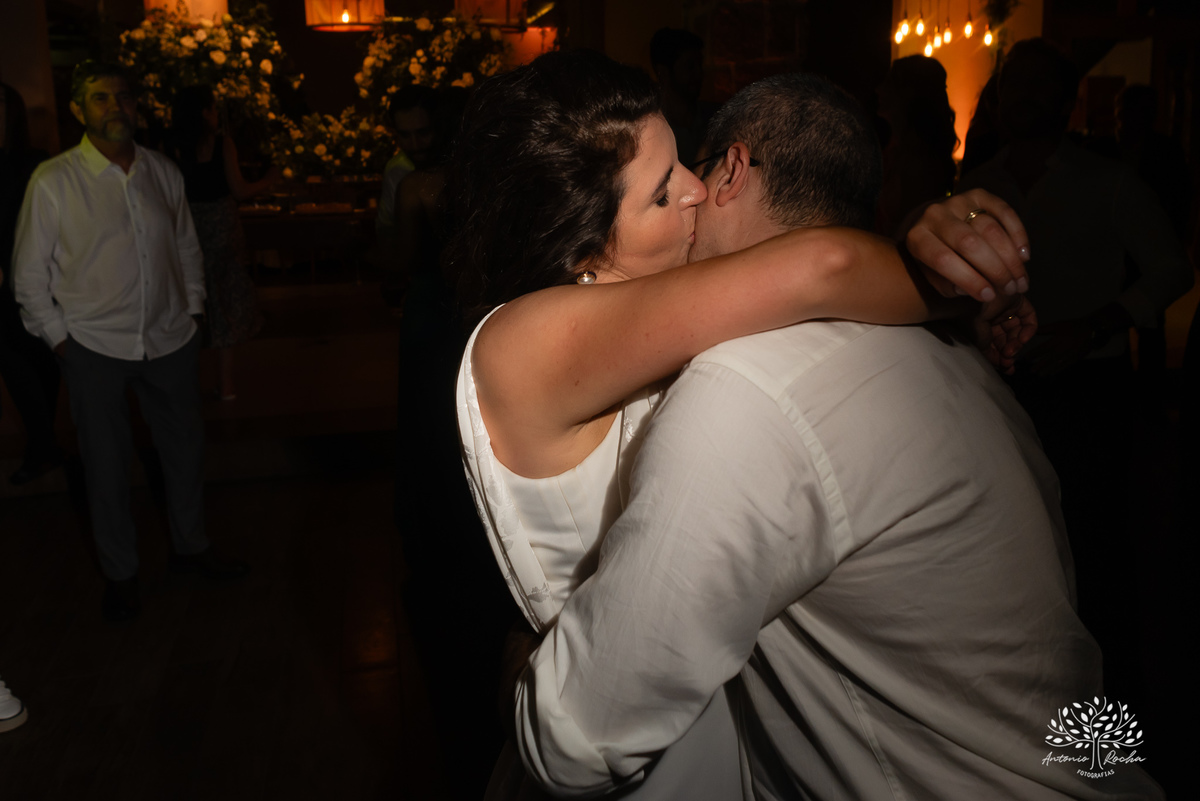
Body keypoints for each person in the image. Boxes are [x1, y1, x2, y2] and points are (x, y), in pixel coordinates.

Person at [511, 70, 1163, 799]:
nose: (688, 194)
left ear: (730, 170)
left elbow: (581, 733)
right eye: (665, 187)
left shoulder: (747, 393)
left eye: (689, 170)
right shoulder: (951, 352)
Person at [958, 38, 1193, 702]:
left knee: (1094, 550)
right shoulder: (979, 185)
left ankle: (1102, 729)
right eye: (1013, 86)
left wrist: (1098, 325)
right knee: (1009, 542)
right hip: (1004, 384)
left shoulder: (1107, 180)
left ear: (1065, 103)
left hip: (1088, 385)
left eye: (1037, 85)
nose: (1021, 97)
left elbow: (1171, 268)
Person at [12, 61, 247, 623]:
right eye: (99, 98)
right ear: (79, 109)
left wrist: (191, 311)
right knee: (106, 466)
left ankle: (191, 547)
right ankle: (121, 573)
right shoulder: (54, 180)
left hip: (169, 339)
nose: (115, 107)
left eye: (123, 97)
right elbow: (27, 277)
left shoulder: (163, 171)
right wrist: (61, 340)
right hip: (93, 346)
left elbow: (186, 246)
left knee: (185, 453)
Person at [168, 84, 275, 401]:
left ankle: (188, 384)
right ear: (205, 112)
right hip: (221, 226)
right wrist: (272, 177)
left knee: (190, 304)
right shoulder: (220, 144)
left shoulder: (169, 146)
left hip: (185, 227)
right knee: (224, 304)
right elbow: (240, 190)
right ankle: (226, 386)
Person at [1, 82, 62, 486]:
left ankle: (42, 447)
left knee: (39, 362)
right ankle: (42, 447)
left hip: (34, 278)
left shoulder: (36, 164)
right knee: (12, 361)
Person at [874, 56, 958, 236]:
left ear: (908, 93)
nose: (879, 90)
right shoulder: (894, 149)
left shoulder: (921, 165)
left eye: (889, 83)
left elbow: (910, 231)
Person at [377, 85, 440, 305]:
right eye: (404, 135)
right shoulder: (397, 171)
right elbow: (387, 232)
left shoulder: (466, 165)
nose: (414, 145)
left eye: (423, 133)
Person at [650, 28, 719, 164]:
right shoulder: (652, 130)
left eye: (700, 65)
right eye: (690, 66)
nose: (699, 74)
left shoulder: (716, 117)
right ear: (663, 73)